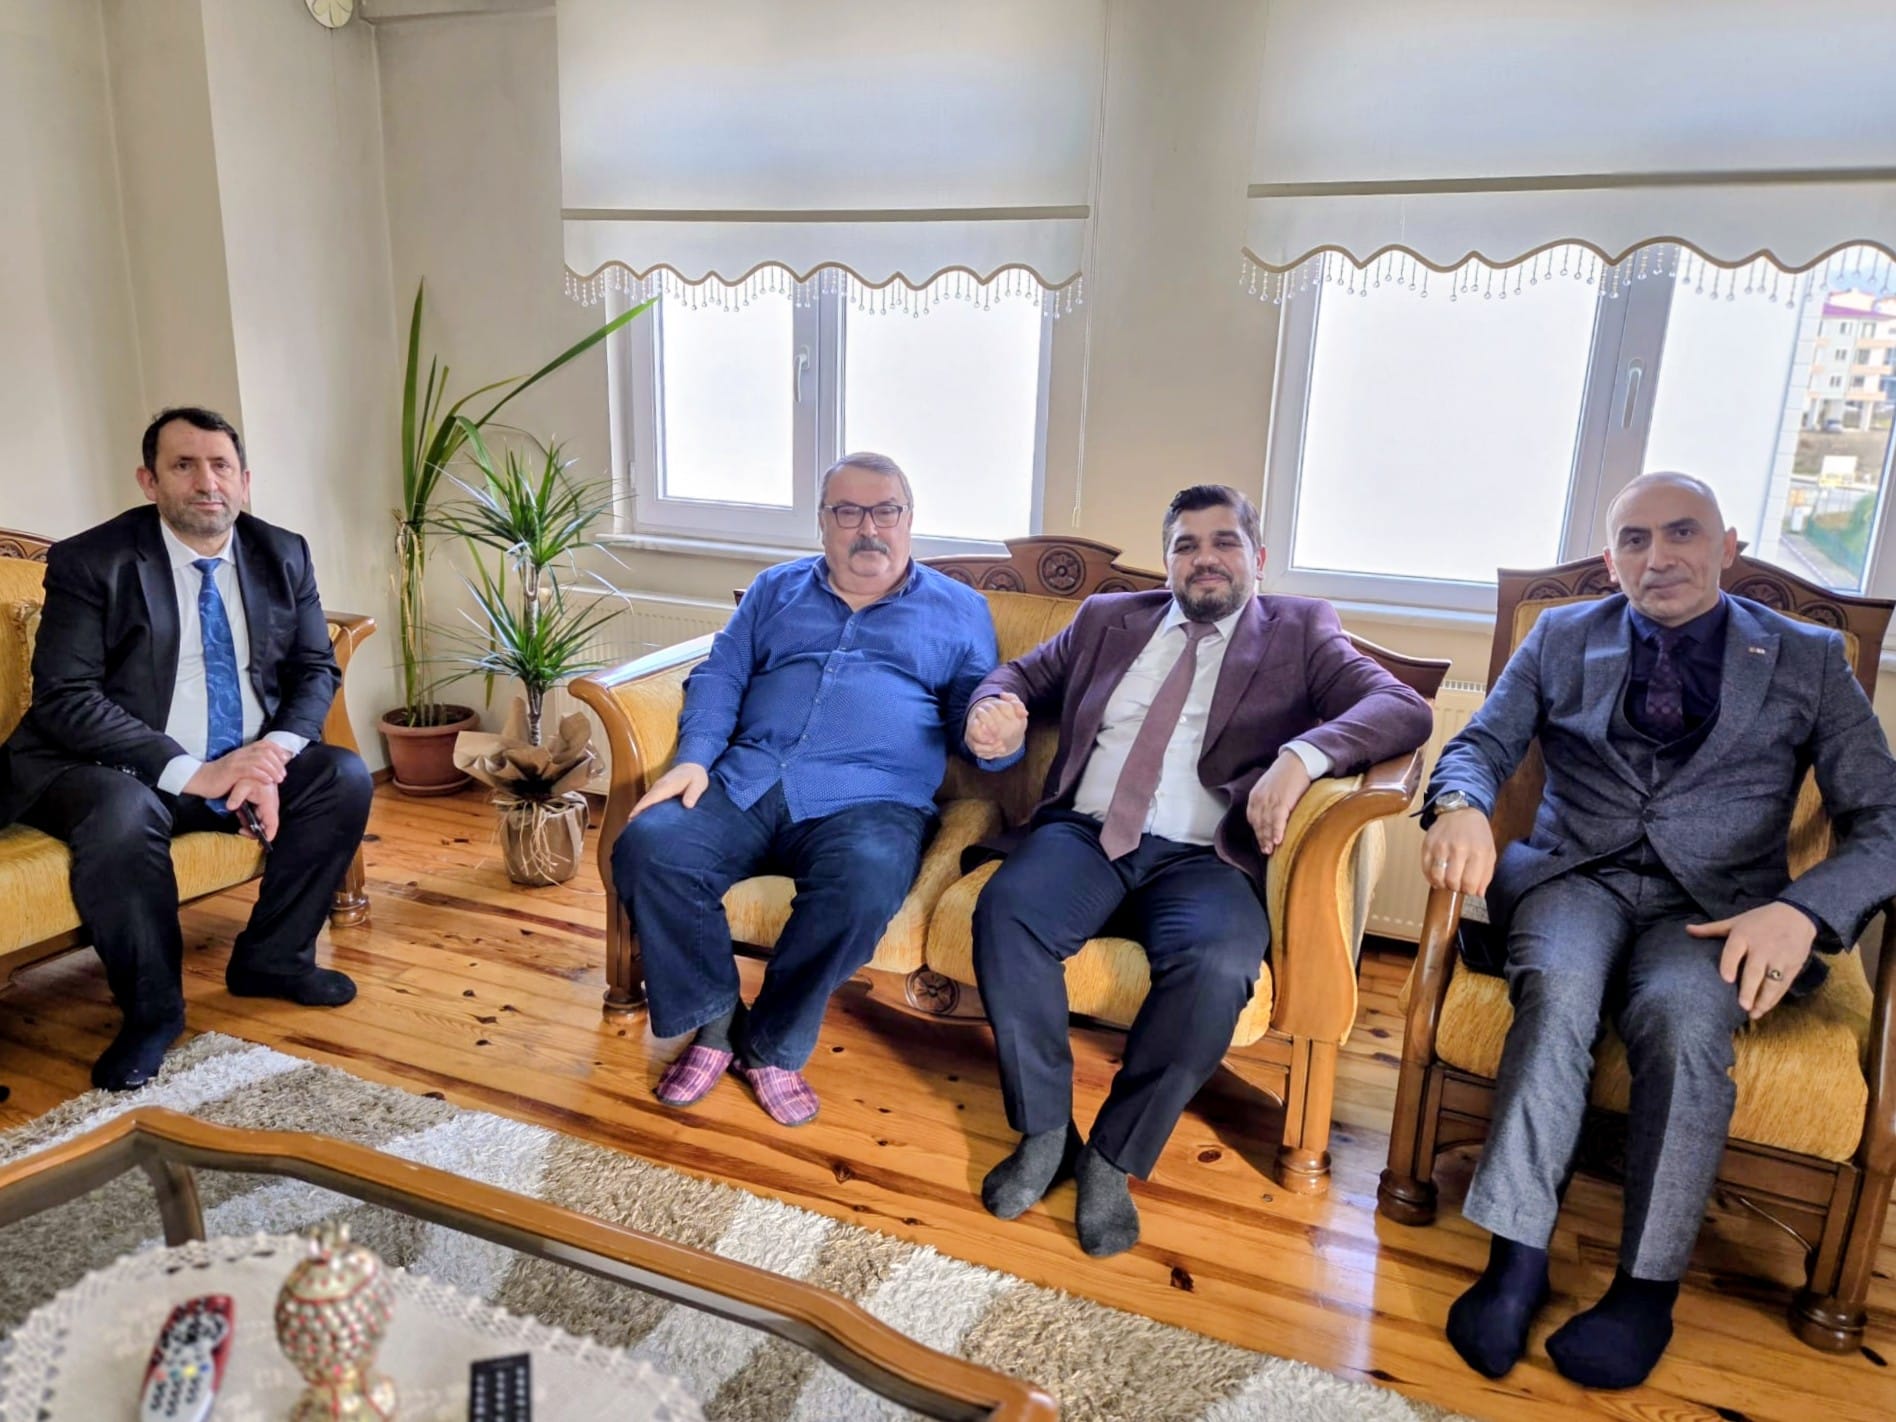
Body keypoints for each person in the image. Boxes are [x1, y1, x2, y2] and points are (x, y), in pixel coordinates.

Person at [1420, 471, 1896, 1389]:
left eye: (1682, 533)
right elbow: (1480, 744)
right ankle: (1515, 1259)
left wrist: (1802, 912)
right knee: (1556, 995)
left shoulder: (1807, 657)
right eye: (1634, 540)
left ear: (1728, 549)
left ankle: (1645, 1289)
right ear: (1612, 561)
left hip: (1720, 909)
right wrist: (1461, 805)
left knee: (1680, 1022)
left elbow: (1884, 817)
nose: (1658, 556)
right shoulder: (1562, 635)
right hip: (1574, 879)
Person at [962, 484, 1433, 1256]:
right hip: (1086, 838)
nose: (1204, 558)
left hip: (1204, 857)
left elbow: (1403, 708)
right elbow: (1016, 678)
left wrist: (1302, 756)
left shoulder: (1300, 630)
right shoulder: (1108, 619)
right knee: (1006, 913)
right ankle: (1045, 1133)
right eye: (1186, 545)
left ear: (1257, 557)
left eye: (1223, 542)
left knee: (1217, 966)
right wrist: (993, 707)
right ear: (1168, 560)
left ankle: (1112, 1157)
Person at [612, 452, 1003, 1127]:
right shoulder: (775, 589)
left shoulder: (961, 610)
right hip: (748, 776)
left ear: (909, 520)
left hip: (872, 800)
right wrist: (695, 759)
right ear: (822, 522)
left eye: (885, 511)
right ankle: (714, 1024)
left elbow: (976, 715)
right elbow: (721, 675)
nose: (868, 528)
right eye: (848, 512)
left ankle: (770, 1046)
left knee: (864, 886)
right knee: (649, 846)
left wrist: (996, 735)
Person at [0, 407, 373, 1092]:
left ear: (244, 480)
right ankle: (152, 1015)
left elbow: (315, 668)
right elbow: (66, 698)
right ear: (149, 481)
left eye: (221, 465)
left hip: (239, 758)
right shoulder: (94, 561)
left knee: (341, 776)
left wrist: (269, 759)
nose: (207, 482)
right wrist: (195, 772)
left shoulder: (282, 552)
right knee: (123, 812)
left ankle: (273, 960)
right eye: (184, 465)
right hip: (107, 767)